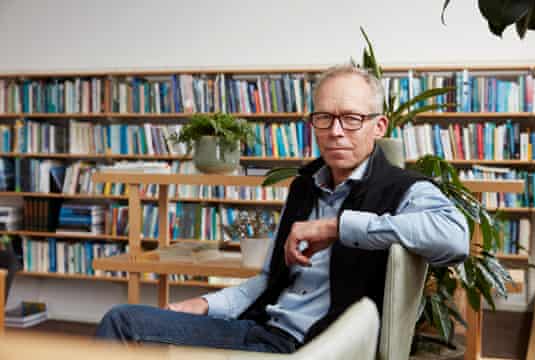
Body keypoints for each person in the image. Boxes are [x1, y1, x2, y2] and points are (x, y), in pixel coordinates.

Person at [95, 65, 469, 354]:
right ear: (313, 125)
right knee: (123, 319)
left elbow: (454, 237)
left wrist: (337, 227)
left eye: (351, 118)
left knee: (124, 327)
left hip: (316, 348)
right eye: (324, 118)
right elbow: (270, 279)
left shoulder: (404, 188)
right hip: (262, 331)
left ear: (378, 126)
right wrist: (205, 304)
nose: (336, 131)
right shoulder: (305, 186)